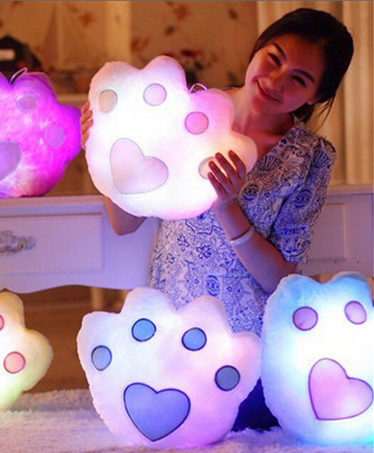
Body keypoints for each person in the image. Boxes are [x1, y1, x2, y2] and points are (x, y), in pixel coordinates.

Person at [80, 7, 354, 430]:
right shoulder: (186, 112)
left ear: (316, 96)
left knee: (237, 424)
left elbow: (280, 277)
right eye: (274, 58)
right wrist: (104, 148)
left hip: (248, 349)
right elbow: (125, 223)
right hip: (170, 337)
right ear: (258, 49)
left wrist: (228, 208)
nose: (275, 80)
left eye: (299, 79)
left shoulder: (309, 158)